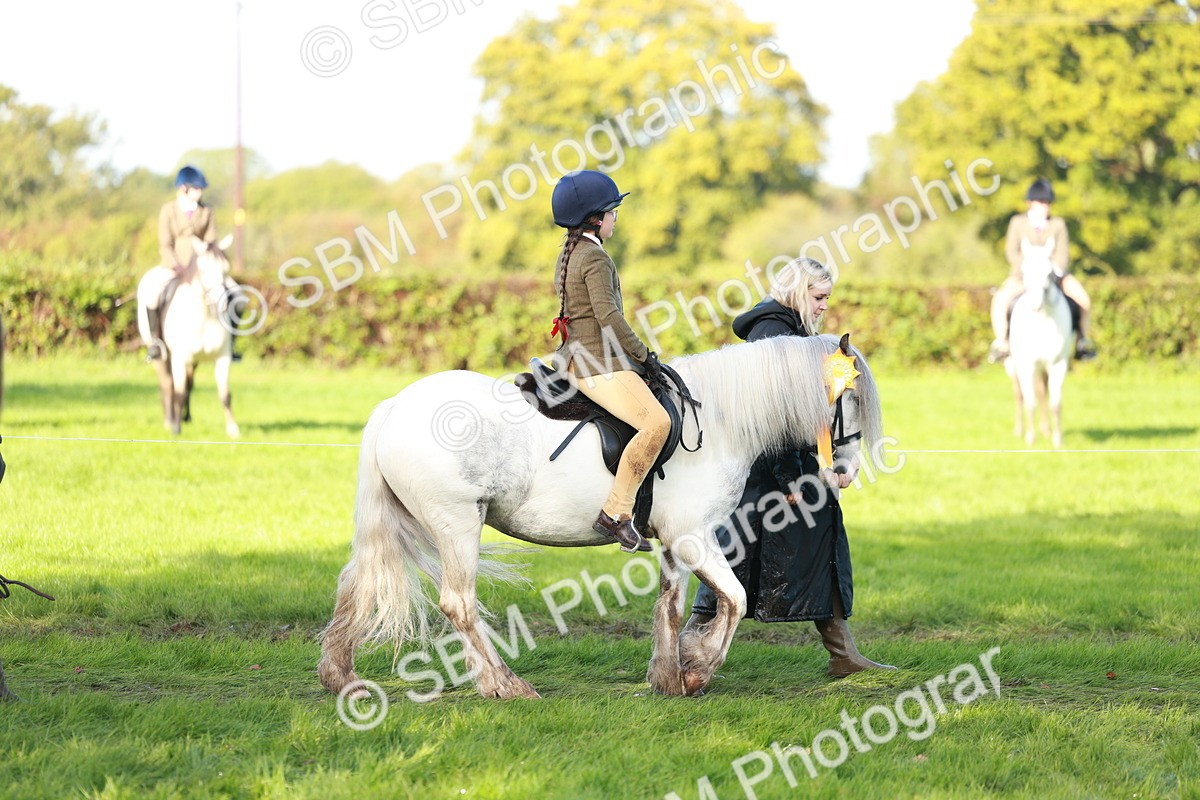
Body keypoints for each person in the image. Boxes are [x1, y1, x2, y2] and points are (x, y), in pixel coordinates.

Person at [685, 257, 894, 677]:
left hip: (783, 470)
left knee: (815, 545)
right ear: (798, 290)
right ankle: (685, 648)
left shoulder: (791, 331)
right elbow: (771, 419)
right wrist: (790, 480)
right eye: (818, 297)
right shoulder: (773, 333)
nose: (823, 307)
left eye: (827, 299)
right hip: (764, 474)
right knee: (732, 555)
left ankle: (842, 652)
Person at [550, 169, 670, 554]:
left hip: (573, 359)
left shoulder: (571, 252)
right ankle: (616, 513)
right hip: (596, 365)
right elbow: (609, 317)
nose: (617, 217)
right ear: (596, 219)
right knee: (658, 422)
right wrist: (643, 355)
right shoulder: (596, 258)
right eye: (613, 211)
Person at [137, 166, 239, 362]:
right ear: (184, 188)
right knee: (151, 293)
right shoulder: (168, 210)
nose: (200, 192)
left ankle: (231, 344)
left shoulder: (207, 210)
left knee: (235, 294)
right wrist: (176, 265)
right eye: (196, 188)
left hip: (202, 268)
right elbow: (165, 244)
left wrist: (213, 255)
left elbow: (211, 240)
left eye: (201, 189)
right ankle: (156, 343)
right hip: (174, 266)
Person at [988, 178, 1096, 363]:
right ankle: (1002, 342)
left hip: (1055, 276)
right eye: (1040, 202)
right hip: (1024, 276)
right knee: (999, 301)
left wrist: (1053, 271)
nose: (1043, 206)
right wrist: (1026, 268)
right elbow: (1011, 251)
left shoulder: (1058, 224)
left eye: (1046, 203)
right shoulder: (1018, 223)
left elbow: (1062, 255)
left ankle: (1082, 342)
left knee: (1084, 300)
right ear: (1030, 203)